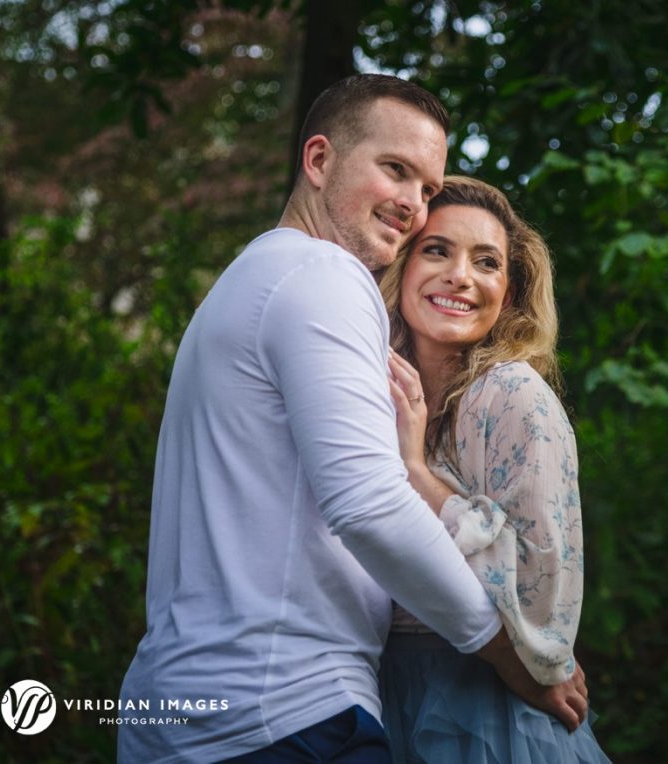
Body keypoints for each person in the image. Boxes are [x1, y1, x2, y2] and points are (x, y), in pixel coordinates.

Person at [118, 74, 548, 762]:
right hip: (283, 714)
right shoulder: (322, 275)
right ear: (319, 160)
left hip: (188, 712)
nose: (413, 205)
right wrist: (504, 648)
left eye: (428, 189)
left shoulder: (250, 278)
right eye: (395, 170)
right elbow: (369, 504)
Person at [374, 176, 609, 761]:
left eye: (486, 262)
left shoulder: (511, 395)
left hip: (483, 704)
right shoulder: (372, 391)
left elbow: (541, 592)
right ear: (402, 267)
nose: (461, 276)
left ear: (506, 296)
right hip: (379, 686)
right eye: (437, 250)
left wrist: (416, 472)